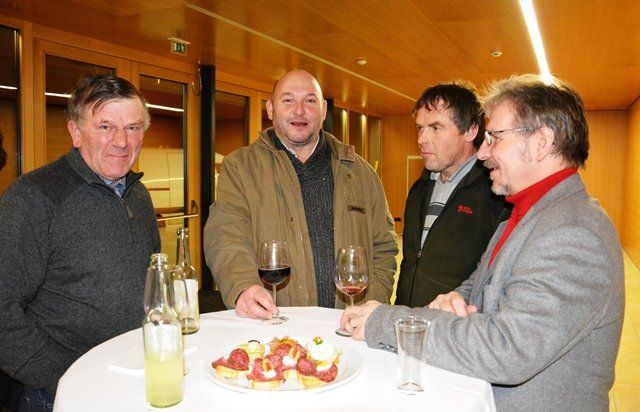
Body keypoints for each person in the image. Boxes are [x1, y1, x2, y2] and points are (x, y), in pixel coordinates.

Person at [340, 74, 624, 411]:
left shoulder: (573, 233)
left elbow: (506, 349)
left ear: (541, 142)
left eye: (494, 137)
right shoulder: (529, 214)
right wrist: (455, 299)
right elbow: (480, 283)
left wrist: (389, 323)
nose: (484, 152)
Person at [0, 74, 160, 411]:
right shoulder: (33, 198)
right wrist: (68, 377)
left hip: (130, 379)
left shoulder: (139, 195)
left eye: (133, 127)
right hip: (57, 393)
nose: (121, 141)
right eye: (105, 127)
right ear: (75, 132)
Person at [204, 69, 398, 319]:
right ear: (271, 109)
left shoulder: (361, 172)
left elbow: (384, 247)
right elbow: (225, 237)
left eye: (310, 100)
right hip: (275, 323)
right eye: (288, 100)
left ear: (324, 110)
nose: (299, 110)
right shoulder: (240, 168)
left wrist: (373, 302)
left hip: (349, 325)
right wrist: (243, 287)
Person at [395, 82, 508, 307]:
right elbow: (410, 264)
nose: (421, 139)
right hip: (409, 321)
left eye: (435, 128)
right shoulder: (419, 189)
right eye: (420, 128)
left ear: (470, 131)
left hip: (458, 324)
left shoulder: (496, 195)